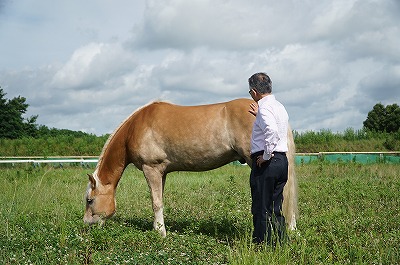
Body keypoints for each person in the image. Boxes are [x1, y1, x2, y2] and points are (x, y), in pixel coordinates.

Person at [247, 72, 289, 245]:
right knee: (275, 206)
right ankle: (280, 242)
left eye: (250, 92)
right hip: (281, 161)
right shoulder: (279, 106)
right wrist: (259, 115)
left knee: (261, 207)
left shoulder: (264, 109)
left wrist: (265, 156)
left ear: (255, 92)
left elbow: (271, 131)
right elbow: (276, 127)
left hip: (267, 163)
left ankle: (262, 245)